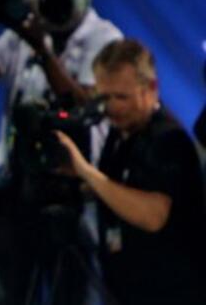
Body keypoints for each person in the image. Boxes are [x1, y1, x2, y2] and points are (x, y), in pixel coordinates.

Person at [0, 0, 122, 305]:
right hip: (17, 193)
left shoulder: (104, 37)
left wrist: (41, 49)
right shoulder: (22, 30)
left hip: (75, 194)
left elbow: (83, 107)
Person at [54, 39, 206, 305]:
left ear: (151, 89)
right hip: (124, 291)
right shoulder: (119, 134)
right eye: (104, 97)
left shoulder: (168, 139)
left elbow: (153, 215)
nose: (112, 107)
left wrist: (88, 173)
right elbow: (121, 189)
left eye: (122, 97)